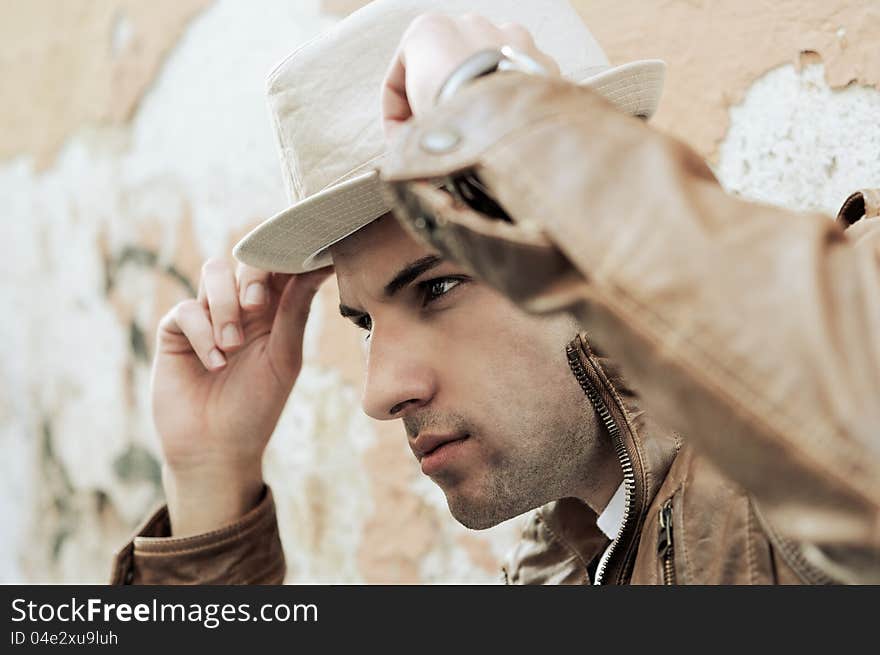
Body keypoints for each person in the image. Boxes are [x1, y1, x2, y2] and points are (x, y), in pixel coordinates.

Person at [111, 0, 880, 585]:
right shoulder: (551, 571)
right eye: (364, 323)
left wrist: (509, 117)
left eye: (440, 282)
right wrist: (210, 480)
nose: (381, 391)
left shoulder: (830, 376)